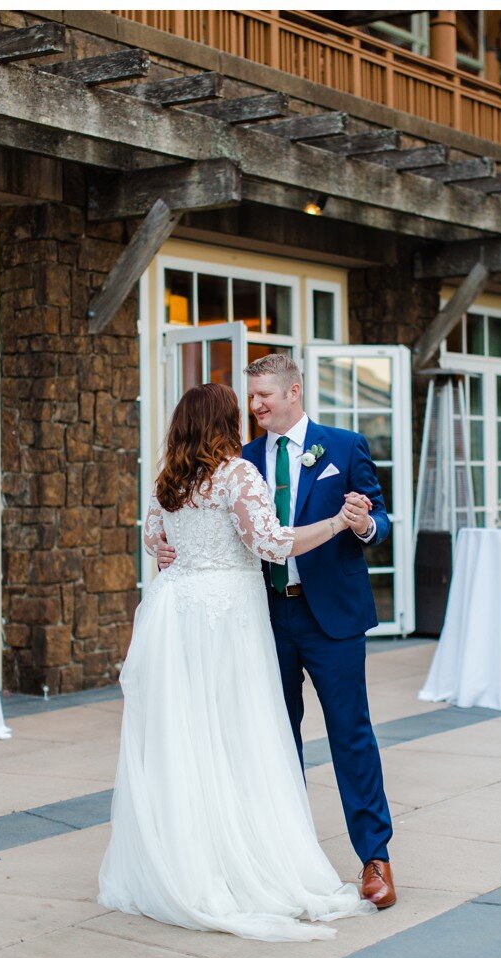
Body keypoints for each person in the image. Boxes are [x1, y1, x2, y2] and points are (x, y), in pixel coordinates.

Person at [98, 382, 377, 942]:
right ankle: (241, 861)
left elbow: (155, 541)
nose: (253, 412)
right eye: (241, 407)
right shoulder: (237, 472)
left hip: (179, 613)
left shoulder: (167, 481)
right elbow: (273, 544)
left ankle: (189, 862)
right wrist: (338, 524)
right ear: (225, 421)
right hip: (227, 616)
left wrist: (174, 553)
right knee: (241, 734)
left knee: (189, 736)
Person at [155, 353, 396, 910]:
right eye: (252, 397)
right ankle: (283, 856)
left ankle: (375, 857)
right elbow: (202, 519)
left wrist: (363, 524)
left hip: (331, 616)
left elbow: (382, 520)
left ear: (294, 390)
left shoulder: (343, 446)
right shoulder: (236, 459)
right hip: (262, 616)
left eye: (266, 395)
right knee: (269, 739)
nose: (257, 406)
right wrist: (167, 545)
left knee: (350, 735)